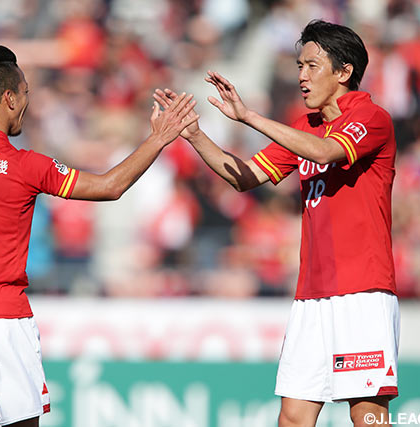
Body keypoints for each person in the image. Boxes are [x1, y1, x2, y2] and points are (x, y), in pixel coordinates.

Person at [0, 44, 197, 427]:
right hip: (0, 318)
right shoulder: (25, 165)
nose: (28, 102)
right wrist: (159, 138)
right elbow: (109, 186)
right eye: (26, 93)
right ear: (9, 98)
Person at [154, 20, 399, 427]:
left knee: (367, 415)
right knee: (293, 417)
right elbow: (244, 177)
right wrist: (194, 135)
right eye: (299, 65)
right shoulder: (304, 127)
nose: (302, 75)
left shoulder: (371, 117)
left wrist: (249, 117)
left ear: (344, 71)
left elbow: (324, 152)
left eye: (312, 66)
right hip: (311, 295)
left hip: (362, 291)